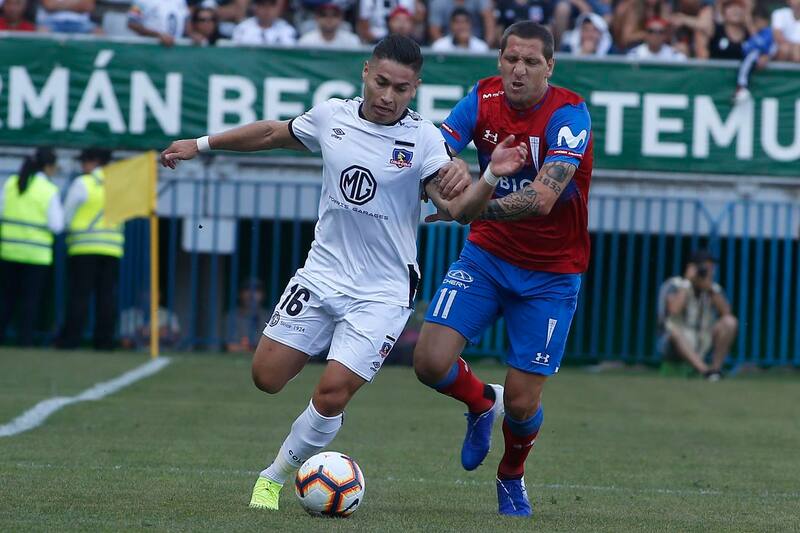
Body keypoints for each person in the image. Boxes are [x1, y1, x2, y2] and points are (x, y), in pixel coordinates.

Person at [160, 34, 527, 512]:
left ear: (414, 89)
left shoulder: (424, 141)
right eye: (380, 83)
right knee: (266, 377)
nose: (387, 96)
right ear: (365, 72)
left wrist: (491, 177)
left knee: (331, 392)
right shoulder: (331, 116)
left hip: (382, 292)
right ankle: (481, 399)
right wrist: (199, 144)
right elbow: (273, 133)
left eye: (400, 88)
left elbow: (458, 209)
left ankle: (272, 477)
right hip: (320, 276)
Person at [413, 21, 593, 517]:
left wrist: (467, 209)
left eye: (531, 61)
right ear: (499, 59)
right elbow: (433, 151)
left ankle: (511, 474)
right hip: (487, 256)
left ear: (549, 67)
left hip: (551, 275)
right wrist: (444, 178)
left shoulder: (569, 113)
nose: (518, 69)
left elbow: (542, 198)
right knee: (429, 363)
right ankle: (478, 403)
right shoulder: (482, 97)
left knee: (521, 401)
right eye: (511, 58)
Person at [56, 148, 123, 351]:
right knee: (106, 297)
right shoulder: (118, 185)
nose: (82, 166)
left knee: (79, 296)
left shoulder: (82, 183)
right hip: (112, 250)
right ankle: (105, 342)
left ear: (94, 162)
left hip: (83, 248)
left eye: (84, 161)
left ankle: (71, 341)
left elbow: (66, 215)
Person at [0, 148, 64, 346]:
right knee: (30, 300)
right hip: (36, 254)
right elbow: (57, 225)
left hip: (9, 251)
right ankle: (25, 340)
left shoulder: (11, 183)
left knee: (6, 299)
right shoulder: (48, 190)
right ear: (48, 167)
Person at [657, 250, 738, 381]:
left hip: (703, 339)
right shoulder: (674, 284)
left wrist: (710, 289)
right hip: (673, 342)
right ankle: (706, 371)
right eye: (705, 268)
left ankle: (715, 370)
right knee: (675, 331)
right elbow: (674, 310)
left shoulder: (713, 288)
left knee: (730, 322)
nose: (709, 271)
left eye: (711, 268)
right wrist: (687, 282)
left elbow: (727, 313)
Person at [734, 6, 776, 104]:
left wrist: (750, 27)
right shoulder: (754, 33)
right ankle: (741, 86)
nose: (756, 24)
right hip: (752, 58)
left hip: (759, 57)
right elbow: (746, 47)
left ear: (765, 21)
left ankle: (742, 85)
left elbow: (764, 46)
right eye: (754, 21)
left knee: (750, 58)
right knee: (749, 58)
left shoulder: (768, 32)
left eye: (758, 21)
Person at [224, 278, 267, 353]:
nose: (252, 294)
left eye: (257, 290)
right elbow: (231, 347)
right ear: (239, 294)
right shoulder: (232, 317)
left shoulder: (269, 317)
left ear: (263, 295)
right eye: (247, 290)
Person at [428, 0, 496, 45]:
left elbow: (489, 23)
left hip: (475, 44)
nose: (461, 26)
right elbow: (435, 31)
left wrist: (486, 47)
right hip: (448, 47)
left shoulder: (481, 48)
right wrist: (446, 47)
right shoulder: (438, 3)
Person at [231, 0, 297, 45]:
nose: (267, 9)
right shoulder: (242, 29)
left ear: (277, 8)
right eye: (262, 5)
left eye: (271, 5)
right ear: (255, 7)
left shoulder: (287, 30)